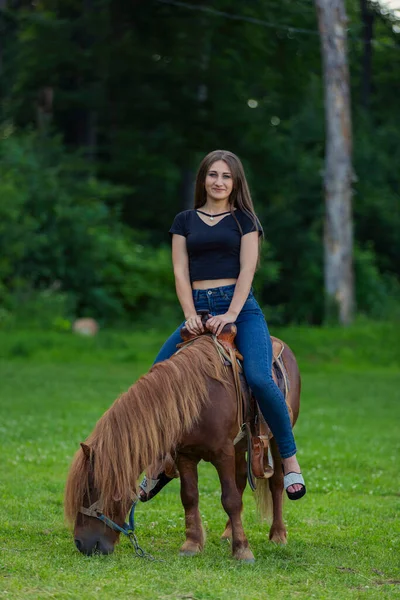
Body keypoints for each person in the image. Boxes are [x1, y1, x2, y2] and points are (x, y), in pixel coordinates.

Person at [139, 150, 306, 502]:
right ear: (203, 179)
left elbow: (247, 270)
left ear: (236, 182)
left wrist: (230, 314)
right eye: (212, 175)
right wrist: (190, 314)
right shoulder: (184, 220)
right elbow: (180, 271)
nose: (218, 182)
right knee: (157, 375)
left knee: (260, 376)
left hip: (241, 310)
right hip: (198, 309)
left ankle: (289, 459)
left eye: (226, 176)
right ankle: (161, 463)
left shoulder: (245, 220)